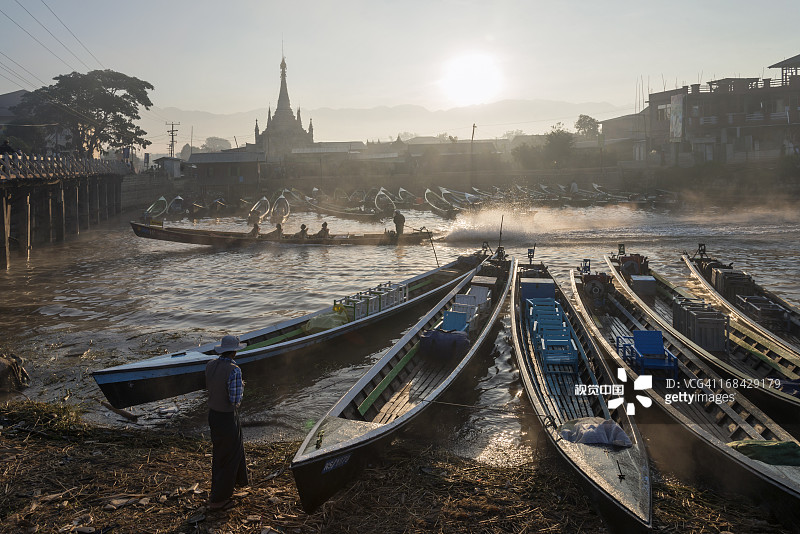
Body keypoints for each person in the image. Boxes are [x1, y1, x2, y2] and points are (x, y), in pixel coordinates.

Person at [205, 335, 249, 510]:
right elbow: (235, 400)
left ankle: (224, 489)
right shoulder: (234, 370)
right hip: (227, 417)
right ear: (234, 352)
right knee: (230, 456)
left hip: (214, 415)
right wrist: (242, 386)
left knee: (221, 454)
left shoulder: (210, 365)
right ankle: (219, 499)